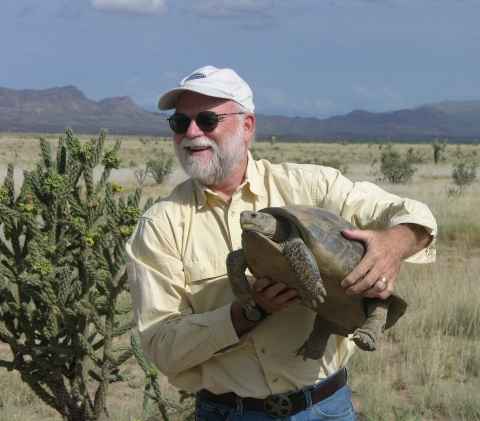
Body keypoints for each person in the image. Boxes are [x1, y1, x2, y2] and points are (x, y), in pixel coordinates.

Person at [126, 65, 437, 420]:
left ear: (247, 126)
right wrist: (248, 312)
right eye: (180, 123)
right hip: (228, 412)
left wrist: (394, 244)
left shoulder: (312, 186)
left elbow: (411, 214)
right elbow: (161, 347)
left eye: (208, 119)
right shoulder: (159, 226)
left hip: (324, 407)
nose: (192, 132)